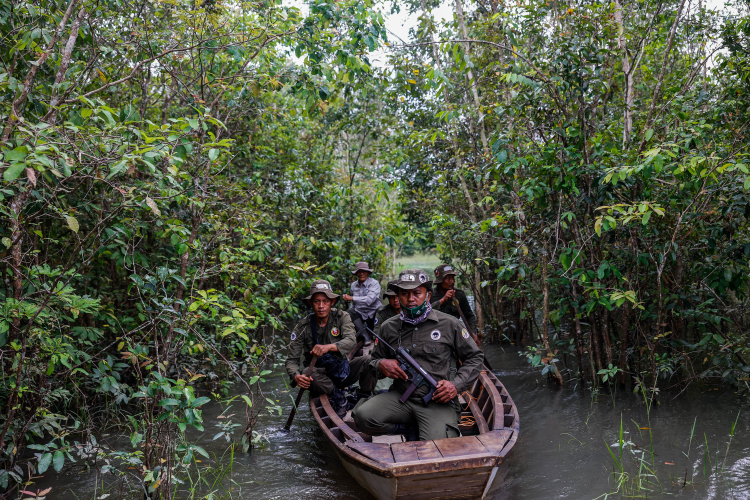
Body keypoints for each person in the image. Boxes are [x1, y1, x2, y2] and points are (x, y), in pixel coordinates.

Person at [353, 269, 484, 441]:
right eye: (404, 294)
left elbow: (475, 357)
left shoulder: (449, 324)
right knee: (362, 417)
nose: (410, 298)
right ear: (398, 296)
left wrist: (455, 385)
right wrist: (382, 365)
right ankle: (407, 428)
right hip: (401, 397)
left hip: (437, 401)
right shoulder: (388, 327)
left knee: (437, 447)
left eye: (416, 293)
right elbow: (374, 360)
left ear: (428, 296)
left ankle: (426, 427)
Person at [285, 280, 376, 417]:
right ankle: (339, 397)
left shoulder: (342, 317)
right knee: (307, 373)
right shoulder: (303, 327)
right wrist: (296, 376)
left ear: (332, 302)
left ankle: (362, 396)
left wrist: (329, 347)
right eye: (317, 301)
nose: (321, 306)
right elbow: (291, 360)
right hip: (320, 377)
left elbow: (351, 340)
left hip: (342, 370)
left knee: (371, 360)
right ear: (311, 303)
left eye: (325, 301)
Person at [431, 264, 478, 335]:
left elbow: (469, 316)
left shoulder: (459, 294)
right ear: (440, 281)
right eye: (448, 278)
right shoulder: (430, 295)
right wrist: (443, 300)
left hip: (453, 332)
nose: (452, 281)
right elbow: (425, 313)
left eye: (453, 278)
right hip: (435, 332)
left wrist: (473, 333)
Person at [342, 261, 381, 331]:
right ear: (356, 273)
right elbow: (353, 304)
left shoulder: (374, 283)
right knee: (348, 313)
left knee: (382, 310)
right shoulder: (354, 285)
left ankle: (377, 334)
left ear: (368, 273)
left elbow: (369, 300)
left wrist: (352, 298)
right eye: (359, 272)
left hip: (374, 314)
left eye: (364, 271)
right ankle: (365, 337)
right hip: (360, 315)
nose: (361, 274)